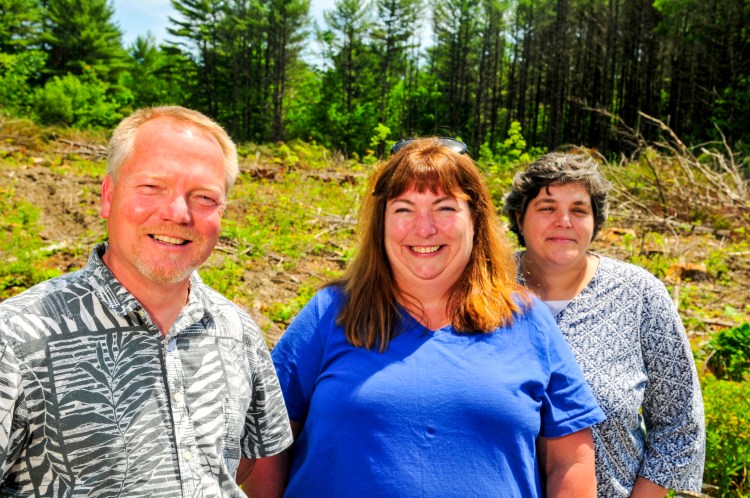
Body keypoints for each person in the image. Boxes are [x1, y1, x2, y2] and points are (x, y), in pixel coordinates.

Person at [244, 138, 606, 498]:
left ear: (475, 220)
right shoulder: (331, 312)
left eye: (445, 208)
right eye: (404, 209)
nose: (425, 228)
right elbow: (266, 438)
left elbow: (570, 462)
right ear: (381, 223)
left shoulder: (527, 321)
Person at [0, 106, 293, 496]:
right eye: (152, 187)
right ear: (108, 195)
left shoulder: (238, 331)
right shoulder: (17, 337)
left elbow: (256, 465)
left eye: (204, 196)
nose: (177, 213)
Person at [502, 152, 705, 498]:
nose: (564, 221)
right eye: (547, 207)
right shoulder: (485, 289)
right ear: (520, 218)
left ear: (595, 221)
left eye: (579, 210)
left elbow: (680, 423)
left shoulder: (639, 293)